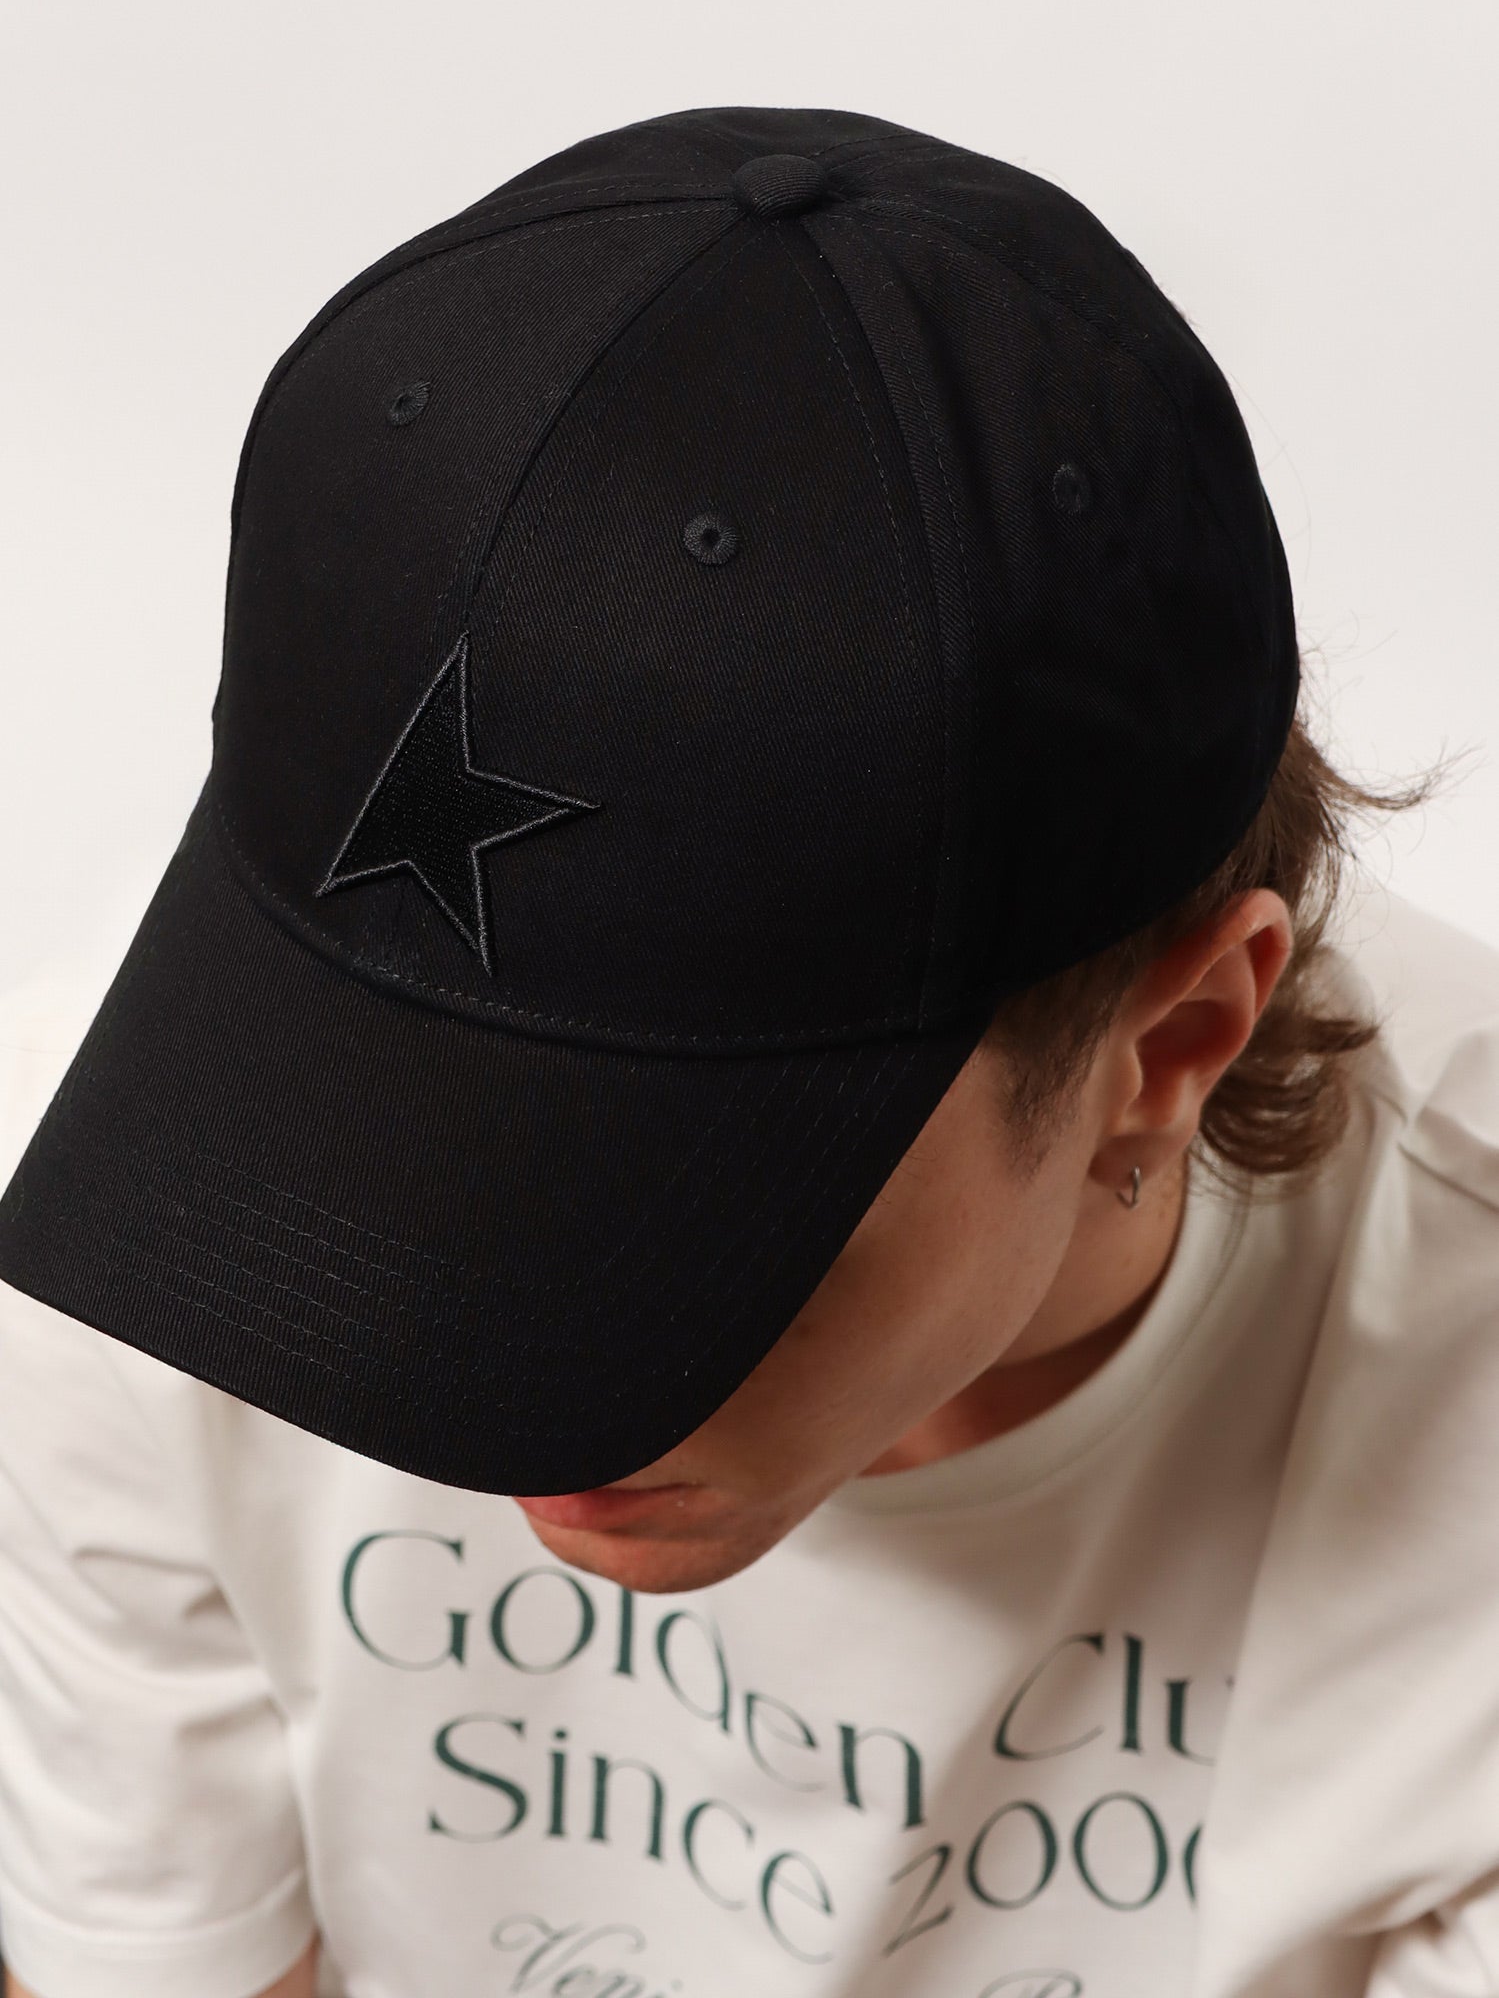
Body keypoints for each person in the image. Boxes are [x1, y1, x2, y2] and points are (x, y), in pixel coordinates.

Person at [0, 103, 1495, 1998]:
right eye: (395, 1132)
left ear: (1177, 1038)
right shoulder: (128, 1196)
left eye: (688, 1212)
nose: (516, 1381)